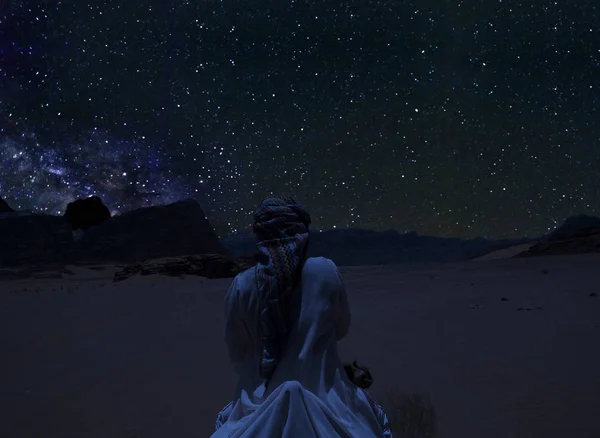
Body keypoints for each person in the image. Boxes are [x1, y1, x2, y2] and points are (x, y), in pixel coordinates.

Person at [212, 196, 392, 437]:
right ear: (302, 234)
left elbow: (237, 353)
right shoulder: (325, 270)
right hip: (330, 404)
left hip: (257, 407)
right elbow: (341, 329)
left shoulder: (241, 285)